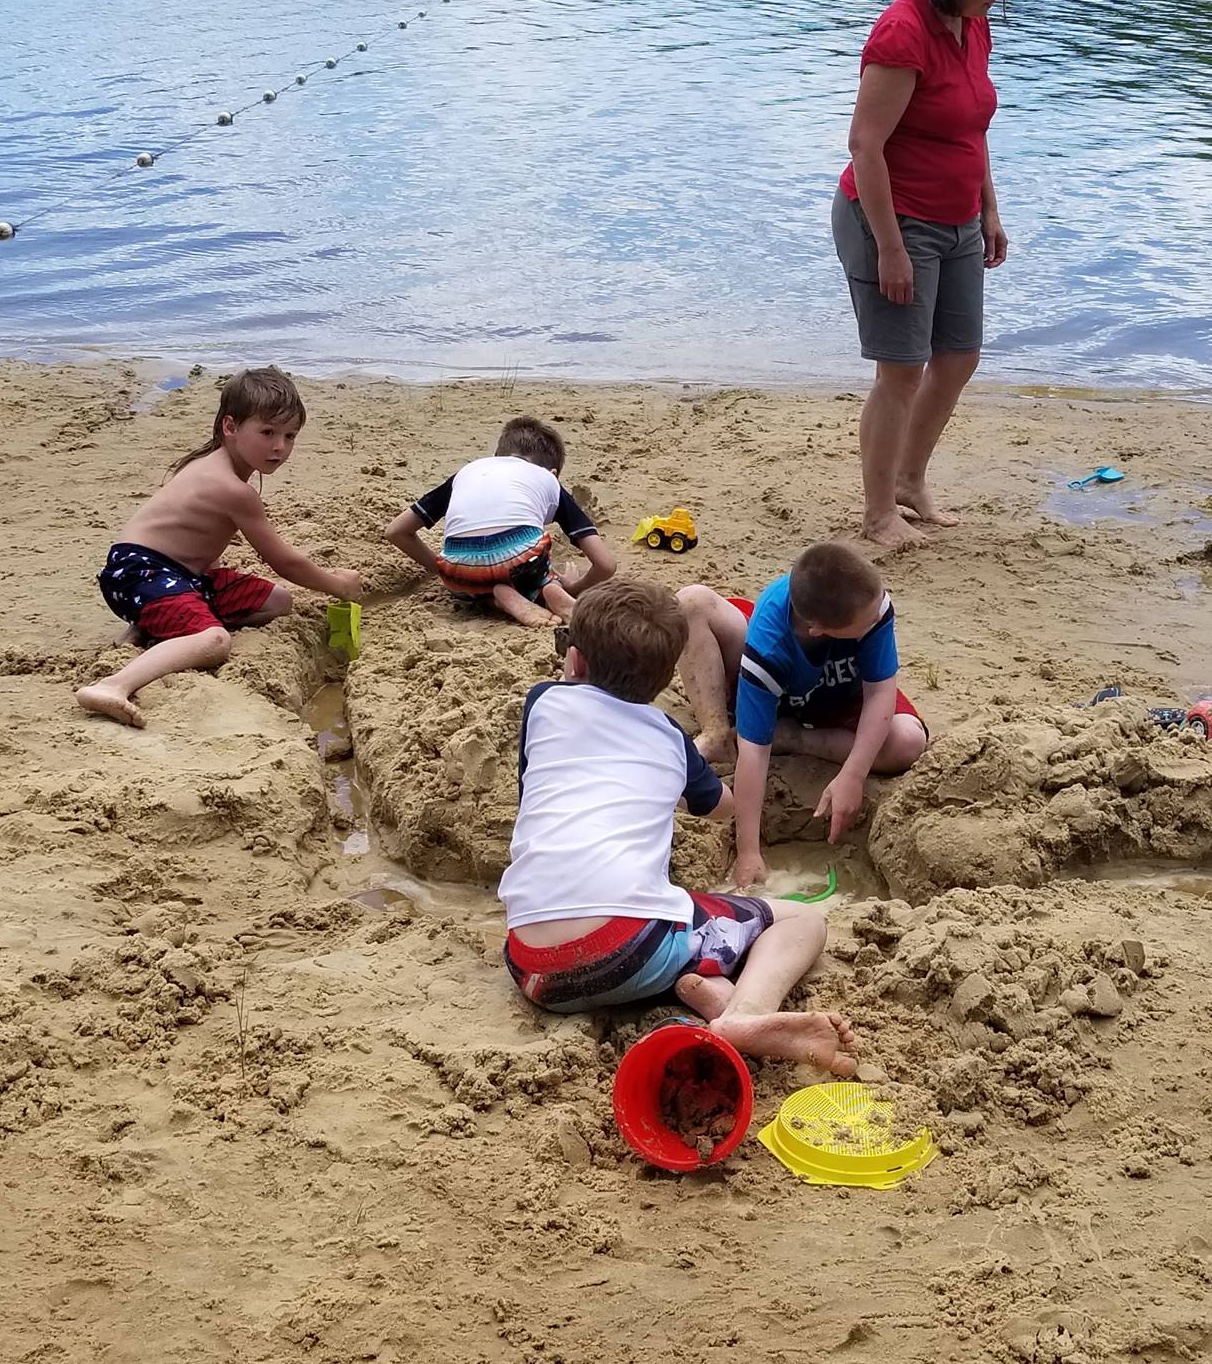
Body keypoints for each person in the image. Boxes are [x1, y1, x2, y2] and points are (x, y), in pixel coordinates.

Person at [500, 578, 856, 1074]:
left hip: (532, 966)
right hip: (629, 951)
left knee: (645, 916)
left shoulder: (542, 703)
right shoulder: (669, 736)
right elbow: (718, 806)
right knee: (802, 921)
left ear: (574, 659)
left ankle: (708, 991)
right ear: (666, 679)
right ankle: (745, 1014)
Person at [833, 0, 1017, 549]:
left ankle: (910, 481)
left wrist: (989, 210)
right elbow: (866, 146)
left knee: (959, 356)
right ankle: (878, 510)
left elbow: (972, 128)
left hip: (959, 217)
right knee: (902, 369)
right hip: (894, 218)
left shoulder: (973, 24)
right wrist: (890, 246)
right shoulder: (903, 32)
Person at [77, 367, 364, 728]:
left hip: (177, 574)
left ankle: (149, 628)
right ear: (230, 427)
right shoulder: (233, 489)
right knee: (214, 640)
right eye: (267, 432)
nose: (280, 447)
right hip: (139, 573)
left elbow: (203, 544)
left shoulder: (218, 466)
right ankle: (114, 685)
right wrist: (337, 585)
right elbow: (283, 561)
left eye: (290, 436)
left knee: (278, 601)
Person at [675, 543, 928, 891]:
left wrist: (853, 774)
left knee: (909, 740)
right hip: (779, 682)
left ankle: (793, 737)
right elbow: (753, 753)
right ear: (817, 629)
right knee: (691, 601)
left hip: (842, 693)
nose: (880, 617)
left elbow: (880, 693)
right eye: (868, 620)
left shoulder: (871, 606)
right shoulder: (768, 646)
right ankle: (716, 731)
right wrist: (749, 851)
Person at [383, 416, 616, 626]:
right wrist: (573, 586)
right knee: (535, 567)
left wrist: (443, 571)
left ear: (495, 458)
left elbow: (396, 531)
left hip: (460, 564)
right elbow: (605, 565)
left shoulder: (468, 471)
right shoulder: (547, 479)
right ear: (552, 473)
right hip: (520, 555)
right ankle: (549, 588)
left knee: (469, 588)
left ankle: (495, 598)